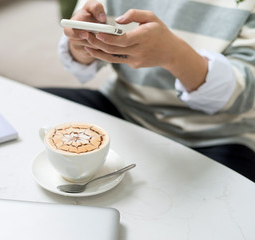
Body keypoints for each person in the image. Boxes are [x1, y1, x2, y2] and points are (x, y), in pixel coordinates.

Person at [42, 0, 255, 181]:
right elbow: (80, 60)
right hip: (123, 106)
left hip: (219, 135)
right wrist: (82, 43)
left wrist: (175, 56)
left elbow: (246, 95)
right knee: (28, 113)